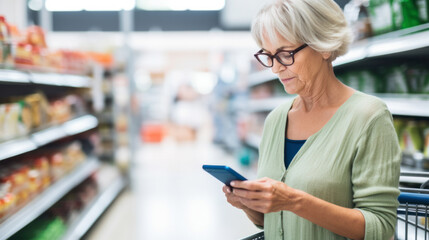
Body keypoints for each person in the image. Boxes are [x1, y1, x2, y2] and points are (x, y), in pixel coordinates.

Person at [222, 0, 401, 239]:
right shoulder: (275, 120)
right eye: (268, 56)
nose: (275, 69)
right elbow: (274, 220)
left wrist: (295, 200)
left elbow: (380, 226)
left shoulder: (369, 116)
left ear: (324, 46)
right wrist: (248, 203)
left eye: (285, 54)